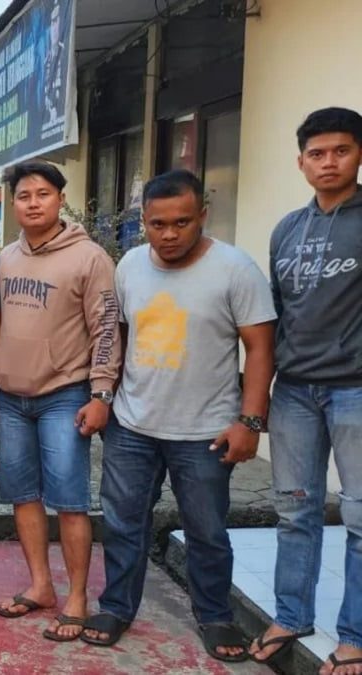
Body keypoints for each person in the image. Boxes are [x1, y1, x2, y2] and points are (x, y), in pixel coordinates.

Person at [79, 171, 275, 661]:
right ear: (143, 220)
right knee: (123, 524)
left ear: (202, 215)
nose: (168, 234)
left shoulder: (235, 269)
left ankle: (215, 614)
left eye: (181, 222)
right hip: (132, 425)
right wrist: (104, 394)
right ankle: (117, 606)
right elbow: (118, 336)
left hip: (205, 431)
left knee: (206, 530)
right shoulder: (129, 266)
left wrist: (250, 422)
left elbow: (260, 348)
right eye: (157, 224)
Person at [250, 107, 362, 674]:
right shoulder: (287, 229)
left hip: (355, 391)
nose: (328, 162)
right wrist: (260, 393)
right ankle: (291, 615)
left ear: (358, 154)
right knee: (295, 512)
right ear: (301, 162)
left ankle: (355, 637)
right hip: (294, 391)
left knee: (361, 518)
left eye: (341, 151)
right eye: (317, 154)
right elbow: (277, 314)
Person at [0, 161, 121, 642]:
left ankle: (77, 597)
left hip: (64, 395)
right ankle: (40, 586)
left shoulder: (90, 258)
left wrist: (101, 393)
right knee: (22, 497)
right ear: (14, 203)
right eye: (24, 195)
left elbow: (106, 329)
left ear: (60, 199)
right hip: (11, 399)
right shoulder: (6, 258)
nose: (33, 203)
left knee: (69, 501)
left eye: (43, 194)